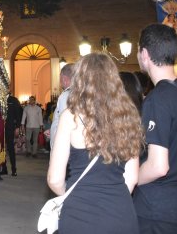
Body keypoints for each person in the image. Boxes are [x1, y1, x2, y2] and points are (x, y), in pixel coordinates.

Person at [47, 53, 143, 233]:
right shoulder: (128, 116)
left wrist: (76, 197)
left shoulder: (71, 117)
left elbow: (55, 179)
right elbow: (132, 177)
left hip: (79, 215)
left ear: (80, 81)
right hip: (120, 214)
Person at [133, 23, 177, 233]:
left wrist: (130, 179)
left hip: (157, 209)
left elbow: (158, 166)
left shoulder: (157, 99)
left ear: (144, 54)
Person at [50, 63, 75, 149]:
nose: (60, 82)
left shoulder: (65, 95)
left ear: (64, 78)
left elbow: (65, 121)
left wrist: (56, 132)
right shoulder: (79, 93)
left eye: (60, 79)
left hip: (62, 145)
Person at [4, 92, 23, 176]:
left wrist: (17, 127)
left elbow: (18, 114)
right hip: (0, 127)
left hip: (10, 127)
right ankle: (3, 169)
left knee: (10, 147)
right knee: (0, 148)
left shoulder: (13, 100)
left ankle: (13, 169)